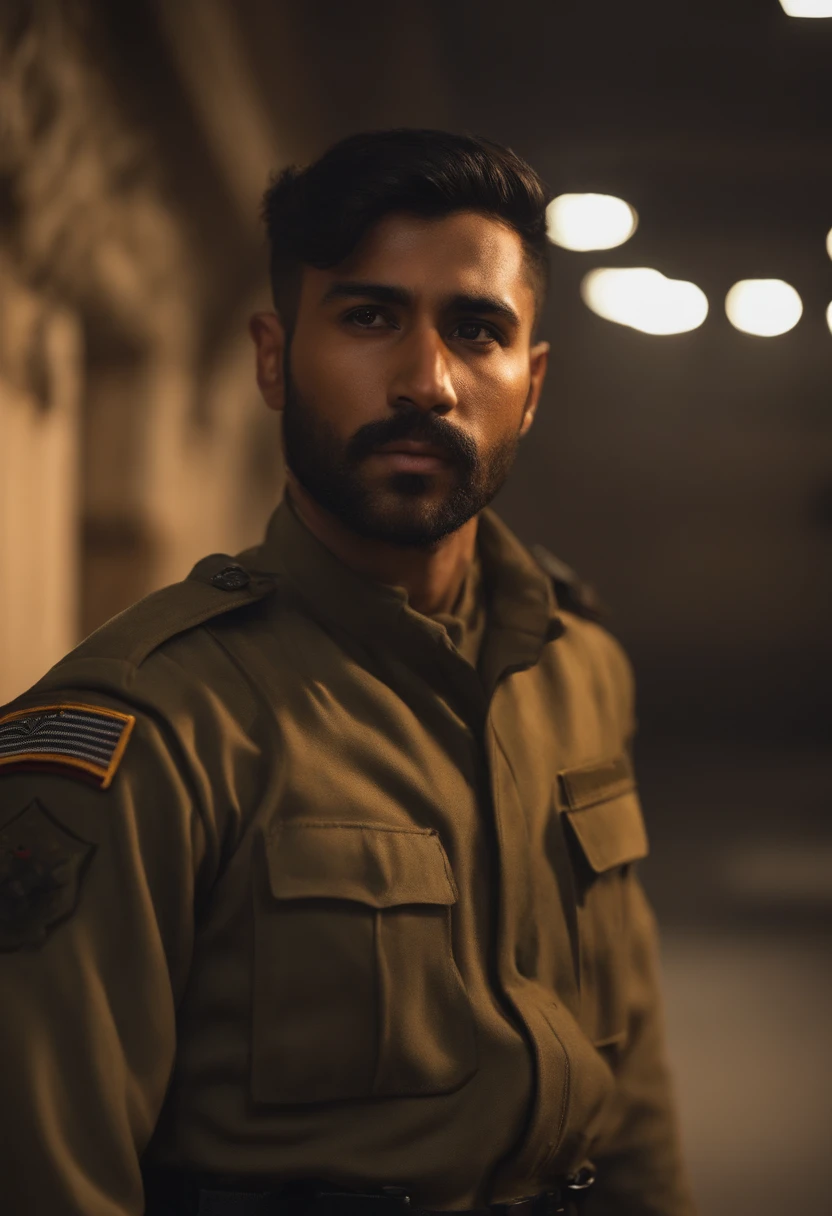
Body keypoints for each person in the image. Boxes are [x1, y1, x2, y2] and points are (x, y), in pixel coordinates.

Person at [0, 129, 695, 1216]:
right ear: (274, 356)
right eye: (370, 317)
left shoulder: (579, 669)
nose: (425, 381)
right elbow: (48, 1173)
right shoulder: (151, 726)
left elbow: (633, 1085)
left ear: (532, 382)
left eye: (477, 329)